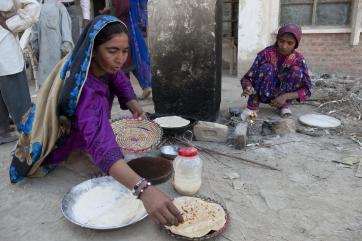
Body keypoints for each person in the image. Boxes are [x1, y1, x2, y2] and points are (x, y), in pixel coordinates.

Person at [9, 15, 183, 227]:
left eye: (125, 51)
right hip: (60, 128)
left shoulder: (101, 64)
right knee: (100, 145)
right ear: (94, 48)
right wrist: (144, 190)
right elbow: (101, 143)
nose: (120, 59)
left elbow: (119, 79)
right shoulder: (87, 91)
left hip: (80, 117)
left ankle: (81, 146)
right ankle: (70, 154)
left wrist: (134, 105)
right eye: (112, 51)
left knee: (100, 137)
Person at [240, 23, 312, 120]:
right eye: (281, 41)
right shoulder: (266, 54)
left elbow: (307, 90)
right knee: (267, 67)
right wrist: (247, 87)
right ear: (277, 39)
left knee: (297, 71)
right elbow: (249, 77)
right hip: (262, 93)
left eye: (289, 43)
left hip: (282, 96)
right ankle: (253, 105)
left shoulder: (298, 59)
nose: (284, 46)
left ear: (296, 44)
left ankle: (282, 105)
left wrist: (285, 96)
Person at [0, 0, 40, 144]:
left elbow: (33, 7)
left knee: (12, 85)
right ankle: (5, 131)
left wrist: (9, 24)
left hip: (4, 43)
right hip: (4, 44)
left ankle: (24, 134)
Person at [101, 0, 152, 100]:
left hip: (122, 27)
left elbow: (124, 5)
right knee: (129, 61)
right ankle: (144, 87)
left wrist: (110, 11)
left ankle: (130, 93)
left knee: (124, 62)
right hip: (124, 27)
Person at [31, 0, 74, 87]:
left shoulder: (38, 9)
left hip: (44, 62)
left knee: (45, 87)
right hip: (59, 58)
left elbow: (34, 39)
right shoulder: (60, 8)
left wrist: (35, 52)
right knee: (58, 86)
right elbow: (66, 35)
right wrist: (66, 50)